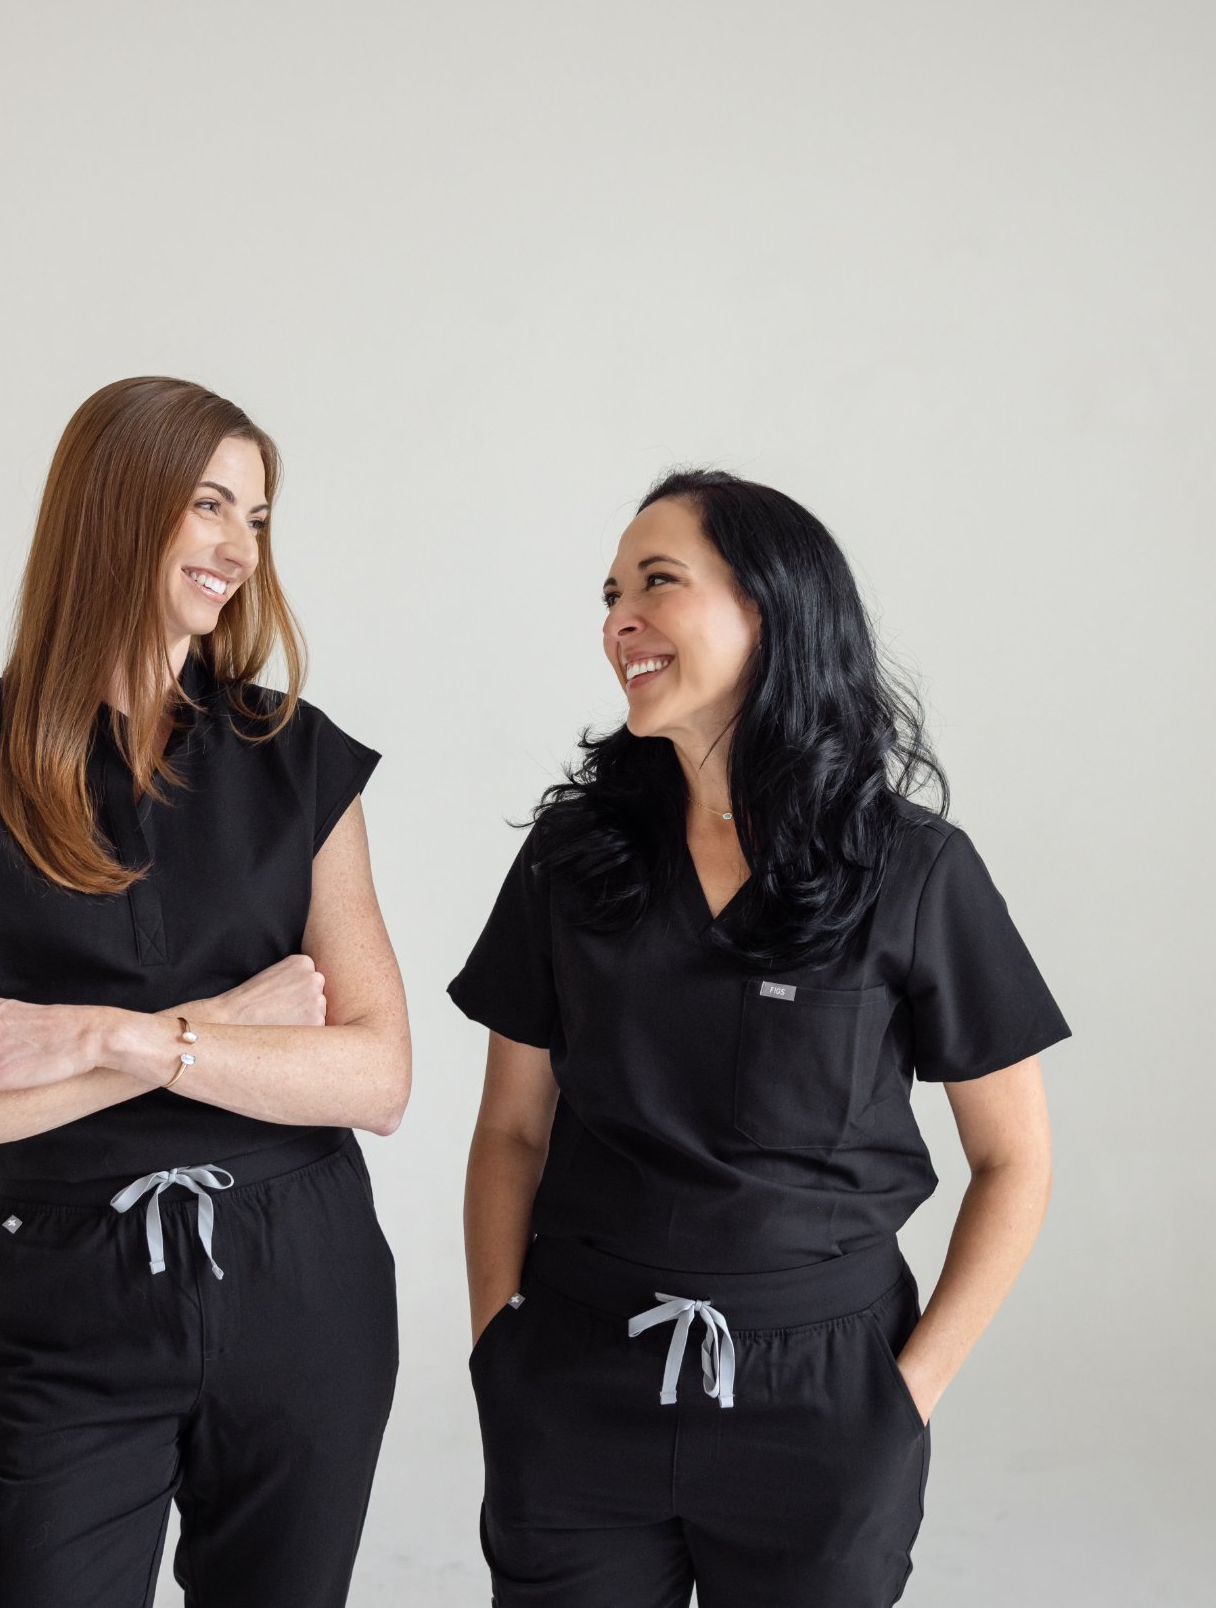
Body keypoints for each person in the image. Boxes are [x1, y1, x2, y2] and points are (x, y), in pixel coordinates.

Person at [452, 469, 1067, 1607]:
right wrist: (500, 1343)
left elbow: (1013, 1158)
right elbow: (511, 1132)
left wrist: (907, 1394)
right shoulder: (570, 858)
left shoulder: (915, 870)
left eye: (657, 582)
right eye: (610, 594)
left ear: (770, 608)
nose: (618, 620)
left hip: (823, 1399)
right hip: (579, 1378)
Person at [0, 376, 409, 1608]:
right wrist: (228, 1031)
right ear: (113, 504)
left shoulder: (298, 756)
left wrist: (112, 1040)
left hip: (304, 1284)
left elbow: (377, 1076)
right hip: (70, 1292)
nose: (238, 549)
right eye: (208, 504)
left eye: (255, 518)